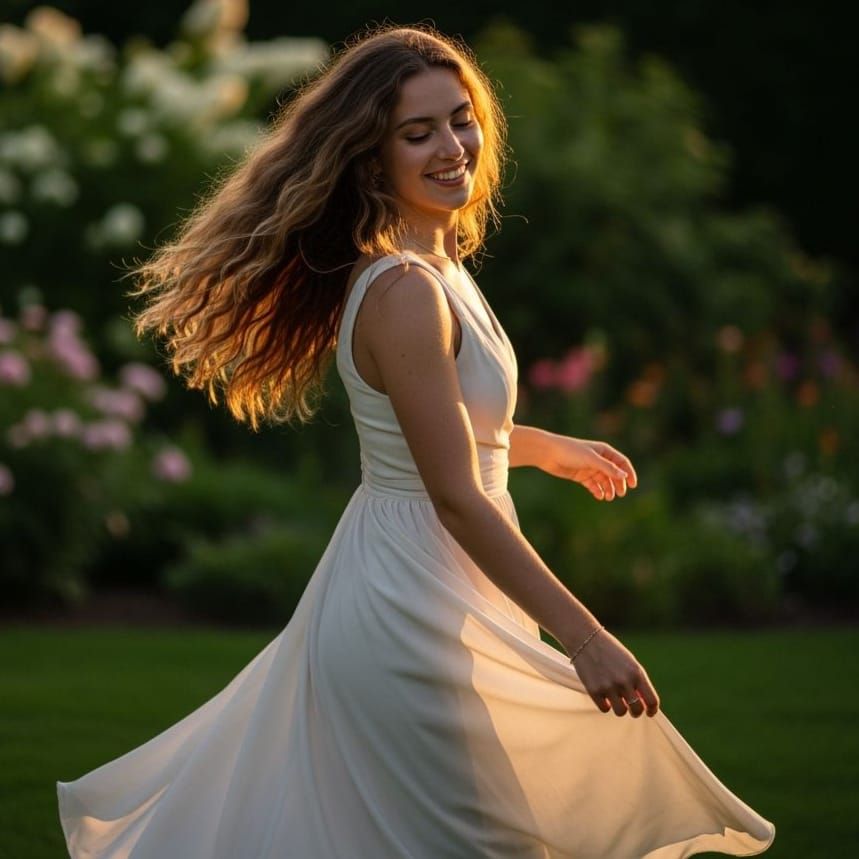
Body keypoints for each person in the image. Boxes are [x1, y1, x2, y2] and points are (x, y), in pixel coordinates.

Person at [56, 24, 775, 858]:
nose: (450, 145)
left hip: (437, 585)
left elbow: (452, 432)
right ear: (370, 157)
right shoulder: (402, 288)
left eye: (459, 118)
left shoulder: (437, 266)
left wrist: (538, 446)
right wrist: (586, 637)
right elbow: (454, 493)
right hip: (411, 605)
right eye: (417, 130)